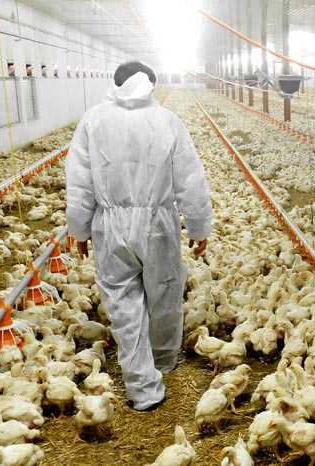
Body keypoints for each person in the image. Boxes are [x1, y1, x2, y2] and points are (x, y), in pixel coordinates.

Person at [65, 61, 213, 411]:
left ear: (114, 84)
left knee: (121, 304)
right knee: (164, 291)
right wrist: (198, 224)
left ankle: (143, 389)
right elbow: (189, 178)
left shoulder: (93, 120)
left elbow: (80, 181)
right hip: (157, 223)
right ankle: (163, 359)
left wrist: (80, 228)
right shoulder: (166, 121)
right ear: (151, 84)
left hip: (110, 224)